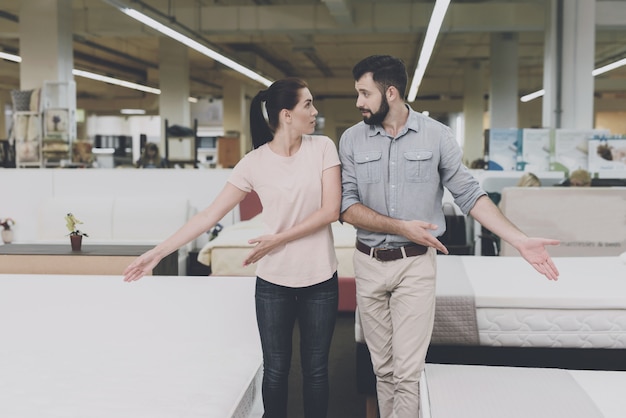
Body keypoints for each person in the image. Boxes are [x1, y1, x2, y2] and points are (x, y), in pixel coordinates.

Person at [338, 55, 560, 418]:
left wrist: (518, 239)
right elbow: (346, 206)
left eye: (365, 93)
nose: (359, 102)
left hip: (415, 266)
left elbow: (469, 194)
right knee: (384, 370)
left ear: (390, 92)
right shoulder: (351, 140)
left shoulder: (436, 136)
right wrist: (400, 225)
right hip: (368, 262)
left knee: (407, 373)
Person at [122, 77, 342, 418]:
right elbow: (210, 214)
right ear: (286, 114)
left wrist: (279, 238)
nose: (314, 111)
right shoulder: (254, 162)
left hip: (320, 278)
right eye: (308, 105)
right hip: (274, 283)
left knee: (315, 371)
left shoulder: (324, 148)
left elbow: (330, 211)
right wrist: (158, 252)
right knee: (275, 370)